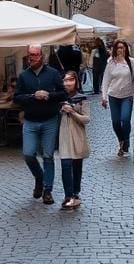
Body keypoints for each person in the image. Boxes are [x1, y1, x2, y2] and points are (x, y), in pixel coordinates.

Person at [13, 43, 65, 205]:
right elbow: (17, 98)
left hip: (50, 120)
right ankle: (39, 177)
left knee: (48, 156)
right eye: (30, 55)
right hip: (30, 121)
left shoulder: (53, 73)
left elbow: (63, 93)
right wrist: (32, 96)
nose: (32, 58)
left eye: (35, 55)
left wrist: (49, 95)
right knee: (28, 154)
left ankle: (47, 190)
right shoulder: (24, 76)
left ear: (41, 56)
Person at [100, 39, 134, 156]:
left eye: (122, 47)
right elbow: (106, 80)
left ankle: (126, 140)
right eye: (118, 47)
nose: (120, 50)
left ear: (126, 49)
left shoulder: (131, 62)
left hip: (127, 96)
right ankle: (121, 140)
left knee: (125, 119)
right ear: (114, 49)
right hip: (113, 96)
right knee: (116, 122)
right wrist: (104, 97)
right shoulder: (111, 62)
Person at [58, 70, 90, 209]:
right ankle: (68, 195)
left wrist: (72, 111)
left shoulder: (81, 98)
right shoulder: (59, 97)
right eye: (65, 80)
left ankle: (76, 193)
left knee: (77, 166)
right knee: (65, 165)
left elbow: (86, 119)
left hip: (77, 135)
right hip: (63, 135)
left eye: (71, 80)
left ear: (76, 82)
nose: (68, 83)